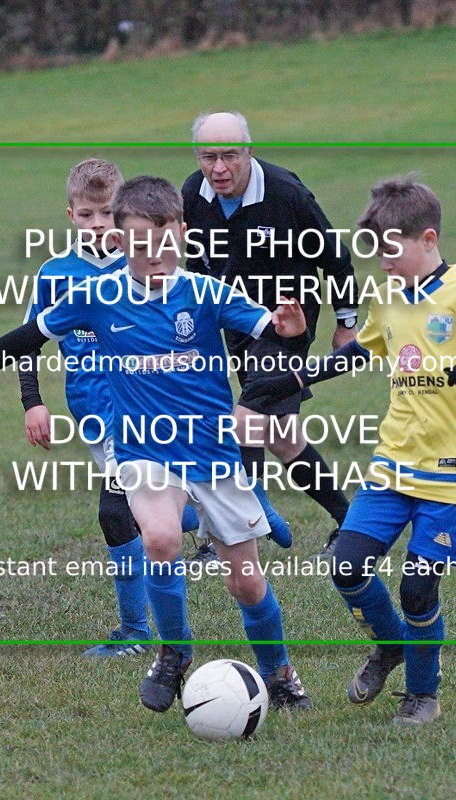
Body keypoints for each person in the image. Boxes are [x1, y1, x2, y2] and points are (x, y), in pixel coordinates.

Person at [0, 175, 313, 714]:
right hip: (142, 448)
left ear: (184, 235)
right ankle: (173, 652)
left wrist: (292, 331)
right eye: (140, 247)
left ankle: (279, 675)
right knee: (161, 539)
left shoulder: (207, 293)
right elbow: (25, 339)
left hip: (212, 453)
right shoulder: (95, 297)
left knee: (247, 584)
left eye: (165, 243)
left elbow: (274, 335)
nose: (155, 257)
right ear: (119, 244)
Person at [244, 175, 456, 724]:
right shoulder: (388, 299)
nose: (384, 264)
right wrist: (292, 378)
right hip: (391, 467)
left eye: (392, 252)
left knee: (418, 591)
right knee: (346, 566)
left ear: (428, 238)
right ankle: (390, 645)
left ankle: (422, 693)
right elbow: (356, 354)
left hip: (447, 475)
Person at [18, 158, 197, 659]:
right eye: (87, 215)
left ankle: (137, 633)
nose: (98, 224)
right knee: (142, 514)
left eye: (105, 214)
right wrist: (34, 403)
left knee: (114, 515)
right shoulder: (55, 275)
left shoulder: (141, 265)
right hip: (92, 415)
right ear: (70, 215)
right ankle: (195, 511)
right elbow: (26, 343)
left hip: (144, 412)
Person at [182, 110, 358, 562]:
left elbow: (335, 257)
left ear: (249, 151)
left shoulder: (286, 192)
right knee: (281, 436)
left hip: (287, 322)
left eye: (229, 156)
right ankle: (352, 523)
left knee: (246, 419)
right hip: (236, 322)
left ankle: (237, 525)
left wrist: (346, 323)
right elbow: (198, 265)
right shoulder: (193, 195)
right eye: (208, 157)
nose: (218, 168)